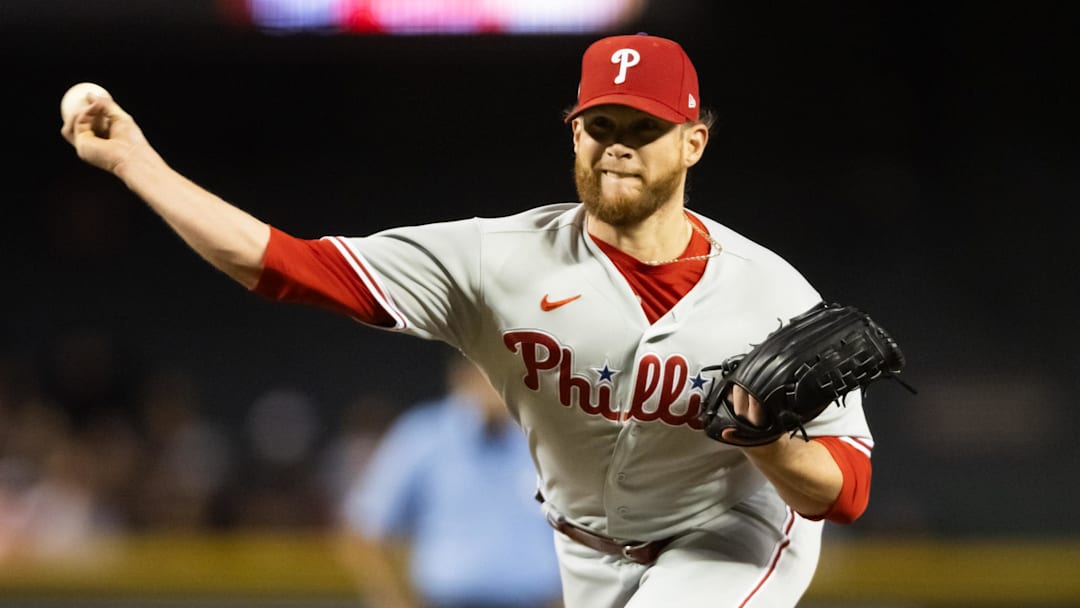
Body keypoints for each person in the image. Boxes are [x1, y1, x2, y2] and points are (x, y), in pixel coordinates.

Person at [62, 33, 876, 608]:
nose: (617, 146)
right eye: (601, 125)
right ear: (575, 133)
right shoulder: (498, 260)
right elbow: (281, 265)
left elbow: (846, 495)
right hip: (587, 549)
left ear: (693, 143)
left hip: (730, 535)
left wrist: (769, 444)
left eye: (644, 129)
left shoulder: (770, 295)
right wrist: (137, 162)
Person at [338, 354, 562, 608]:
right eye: (492, 374)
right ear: (462, 378)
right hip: (449, 600)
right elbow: (364, 526)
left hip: (537, 600)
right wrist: (395, 602)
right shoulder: (425, 435)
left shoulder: (540, 438)